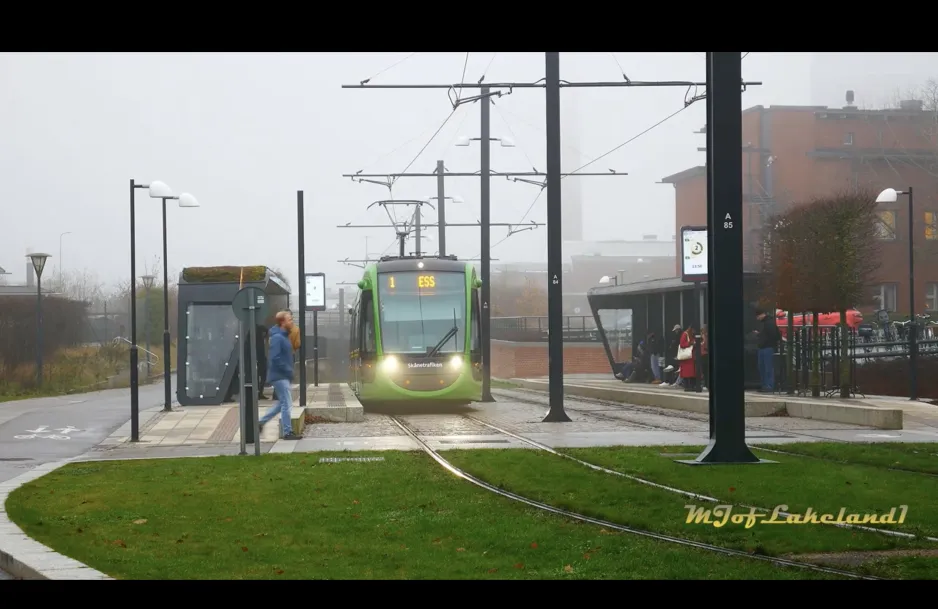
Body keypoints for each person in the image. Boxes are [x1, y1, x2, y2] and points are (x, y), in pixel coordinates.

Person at [259, 310, 301, 440]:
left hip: (282, 376)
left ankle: (260, 422)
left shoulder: (283, 336)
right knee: (287, 404)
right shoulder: (278, 337)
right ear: (282, 322)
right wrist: (288, 370)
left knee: (282, 403)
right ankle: (287, 432)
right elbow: (275, 358)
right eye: (289, 319)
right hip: (280, 376)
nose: (291, 321)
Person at [753, 309, 781, 393]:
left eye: (758, 316)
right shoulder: (768, 322)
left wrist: (761, 337)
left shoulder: (769, 323)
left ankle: (768, 386)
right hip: (765, 347)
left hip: (767, 347)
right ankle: (766, 385)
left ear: (762, 315)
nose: (757, 318)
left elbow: (773, 335)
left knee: (767, 368)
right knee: (764, 367)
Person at [678, 324, 697, 391]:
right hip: (686, 358)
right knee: (687, 373)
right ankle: (687, 386)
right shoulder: (685, 334)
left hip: (691, 357)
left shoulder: (692, 335)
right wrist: (690, 343)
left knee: (692, 373)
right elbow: (682, 344)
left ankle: (691, 386)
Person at [255, 324, 269, 400]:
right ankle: (259, 393)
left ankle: (260, 392)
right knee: (260, 376)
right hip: (259, 359)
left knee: (262, 376)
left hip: (261, 359)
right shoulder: (258, 340)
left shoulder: (260, 340)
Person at [699, 325, 709, 390]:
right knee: (703, 370)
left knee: (705, 370)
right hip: (702, 354)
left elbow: (706, 345)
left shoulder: (706, 337)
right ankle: (704, 384)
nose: (702, 331)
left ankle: (706, 384)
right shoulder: (702, 337)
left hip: (705, 355)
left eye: (703, 330)